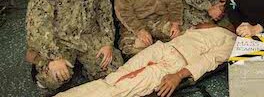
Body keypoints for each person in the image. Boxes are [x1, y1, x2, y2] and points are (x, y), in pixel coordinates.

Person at [55, 24, 236, 97]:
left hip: (174, 64)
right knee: (112, 80)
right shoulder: (211, 24)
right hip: (162, 48)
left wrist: (178, 76)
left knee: (118, 90)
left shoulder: (232, 42)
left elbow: (207, 61)